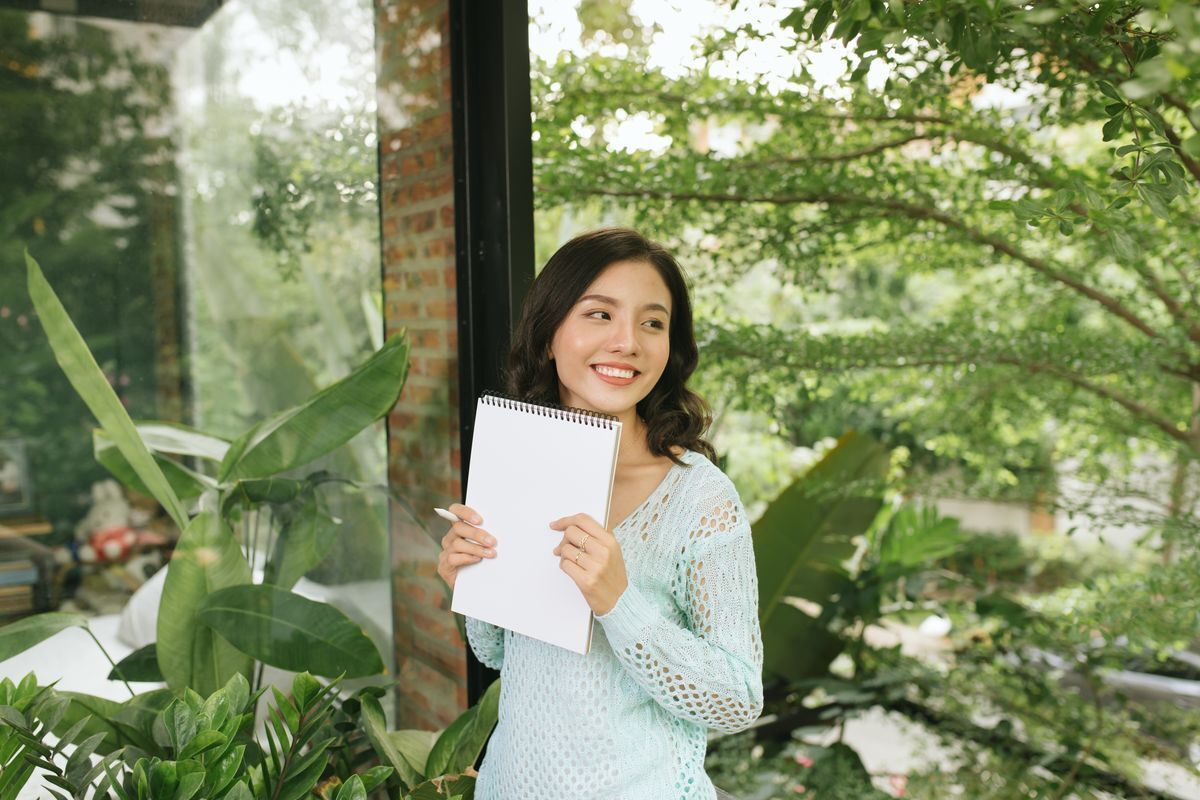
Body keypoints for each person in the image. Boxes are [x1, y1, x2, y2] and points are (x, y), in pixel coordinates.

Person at [437, 228, 763, 799]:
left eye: (652, 322)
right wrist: (467, 582)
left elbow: (737, 699)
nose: (627, 342)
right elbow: (501, 656)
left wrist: (620, 603)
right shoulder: (516, 461)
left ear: (670, 347)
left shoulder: (700, 499)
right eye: (599, 314)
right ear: (548, 337)